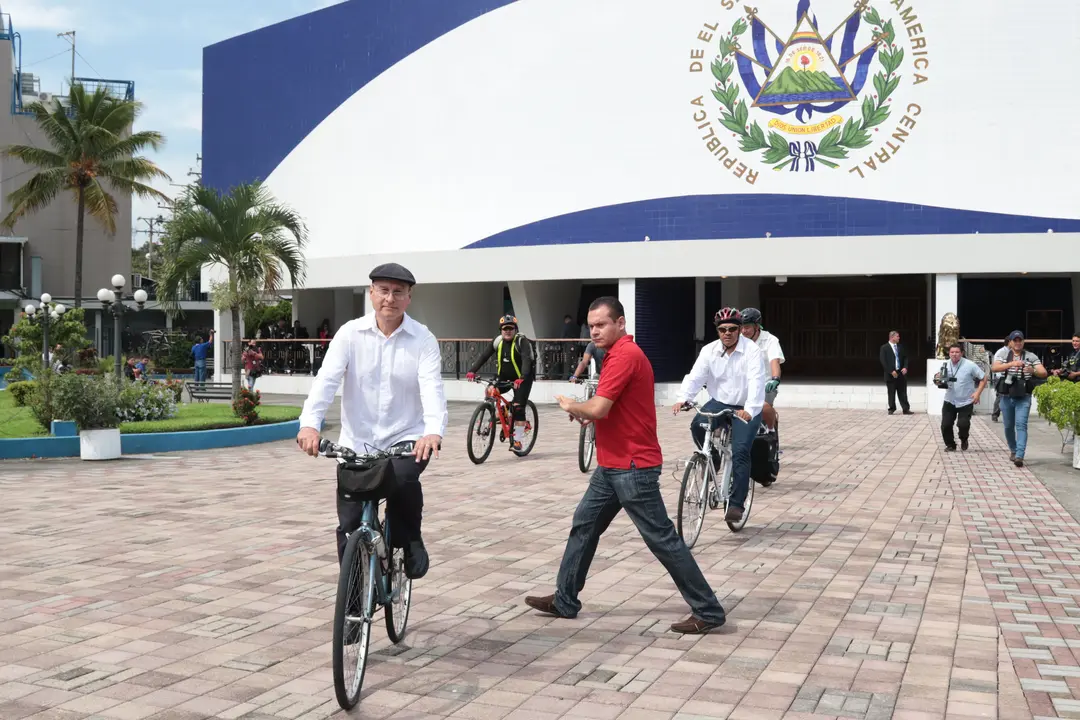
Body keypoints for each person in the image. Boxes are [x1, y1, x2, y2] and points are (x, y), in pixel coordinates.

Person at [524, 296, 727, 634]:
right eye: (591, 326)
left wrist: (572, 406)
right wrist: (589, 414)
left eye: (602, 324)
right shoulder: (615, 355)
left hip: (632, 467)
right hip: (612, 466)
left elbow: (600, 408)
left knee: (662, 540)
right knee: (584, 525)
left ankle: (709, 610)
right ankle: (565, 598)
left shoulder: (624, 356)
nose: (595, 331)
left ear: (621, 323)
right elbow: (611, 408)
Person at [296, 263, 448, 579]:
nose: (389, 298)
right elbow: (326, 380)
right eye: (383, 290)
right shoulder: (350, 334)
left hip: (406, 439)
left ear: (409, 297)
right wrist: (309, 424)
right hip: (356, 444)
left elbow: (431, 387)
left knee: (405, 480)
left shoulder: (423, 339)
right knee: (350, 528)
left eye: (397, 292)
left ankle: (410, 540)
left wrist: (433, 430)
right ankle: (352, 611)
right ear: (371, 293)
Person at [673, 307, 767, 524]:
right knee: (697, 424)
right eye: (723, 329)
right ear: (717, 331)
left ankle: (735, 504)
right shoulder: (709, 351)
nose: (727, 333)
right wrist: (683, 397)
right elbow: (696, 376)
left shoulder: (751, 351)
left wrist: (750, 409)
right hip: (720, 401)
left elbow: (756, 382)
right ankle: (712, 457)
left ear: (739, 330)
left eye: (733, 329)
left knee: (741, 452)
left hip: (745, 405)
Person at [465, 315, 535, 452]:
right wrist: (472, 371)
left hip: (522, 379)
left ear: (515, 329)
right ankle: (501, 413)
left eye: (510, 328)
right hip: (504, 376)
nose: (507, 331)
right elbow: (484, 356)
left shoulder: (522, 342)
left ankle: (518, 441)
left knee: (519, 408)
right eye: (504, 329)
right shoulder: (498, 341)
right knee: (491, 390)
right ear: (501, 330)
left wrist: (522, 377)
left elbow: (527, 360)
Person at [991, 330, 1047, 467]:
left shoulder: (1030, 356)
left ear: (1023, 342)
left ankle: (1019, 456)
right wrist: (1011, 364)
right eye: (1014, 340)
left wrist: (1032, 370)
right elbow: (994, 368)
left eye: (1020, 340)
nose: (1017, 343)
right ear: (1010, 342)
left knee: (1021, 425)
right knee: (1008, 426)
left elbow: (1044, 372)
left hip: (1023, 396)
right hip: (1006, 395)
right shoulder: (1004, 354)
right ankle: (1013, 450)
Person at [937, 343, 987, 452]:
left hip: (966, 401)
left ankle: (964, 439)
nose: (954, 354)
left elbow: (984, 378)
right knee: (945, 425)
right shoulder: (945, 365)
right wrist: (938, 380)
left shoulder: (970, 365)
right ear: (949, 353)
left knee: (963, 424)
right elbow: (940, 380)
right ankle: (950, 445)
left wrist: (977, 393)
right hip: (949, 400)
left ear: (962, 353)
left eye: (957, 352)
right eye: (952, 352)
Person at [739, 307, 783, 430]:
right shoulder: (738, 340)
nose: (743, 331)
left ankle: (771, 430)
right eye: (741, 327)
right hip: (743, 384)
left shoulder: (770, 340)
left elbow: (774, 361)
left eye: (747, 327)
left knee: (763, 407)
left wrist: (775, 379)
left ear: (757, 326)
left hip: (765, 384)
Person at [879, 330, 913, 415]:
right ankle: (891, 408)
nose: (899, 338)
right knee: (891, 392)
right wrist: (890, 371)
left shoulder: (901, 347)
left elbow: (905, 358)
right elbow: (883, 361)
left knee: (903, 392)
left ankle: (905, 409)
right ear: (892, 337)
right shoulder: (884, 348)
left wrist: (905, 367)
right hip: (890, 374)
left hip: (900, 373)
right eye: (897, 336)